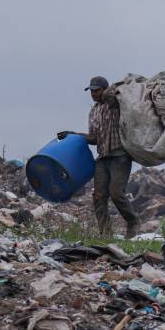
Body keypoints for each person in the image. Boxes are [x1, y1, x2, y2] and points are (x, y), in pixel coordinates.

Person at [58, 75, 140, 238]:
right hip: (103, 158)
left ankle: (133, 222)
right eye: (91, 91)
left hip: (120, 156)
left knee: (116, 193)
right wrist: (73, 135)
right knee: (99, 197)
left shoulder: (116, 104)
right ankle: (106, 234)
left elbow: (118, 98)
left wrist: (110, 94)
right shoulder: (94, 111)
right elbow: (94, 138)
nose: (94, 94)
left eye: (97, 90)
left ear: (104, 89)